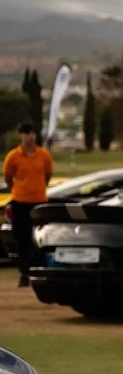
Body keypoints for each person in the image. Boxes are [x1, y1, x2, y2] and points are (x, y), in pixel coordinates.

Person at [3, 122, 53, 287]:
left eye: (31, 133)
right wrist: (17, 189)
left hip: (38, 201)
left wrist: (38, 188)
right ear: (21, 136)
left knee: (39, 238)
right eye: (26, 134)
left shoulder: (43, 155)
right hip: (20, 201)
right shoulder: (13, 156)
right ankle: (25, 272)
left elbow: (47, 175)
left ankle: (40, 270)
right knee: (22, 238)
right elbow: (8, 177)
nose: (29, 137)